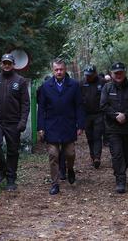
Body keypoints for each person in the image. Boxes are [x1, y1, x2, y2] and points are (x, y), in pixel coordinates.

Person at [0, 53, 30, 191]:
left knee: (13, 151)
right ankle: (1, 169)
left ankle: (11, 179)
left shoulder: (20, 81)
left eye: (9, 63)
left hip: (13, 122)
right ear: (1, 64)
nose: (7, 65)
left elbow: (25, 104)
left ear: (13, 65)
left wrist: (23, 121)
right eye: (4, 63)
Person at [37, 58, 85, 195]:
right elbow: (41, 109)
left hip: (68, 125)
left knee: (70, 153)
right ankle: (55, 183)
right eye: (56, 69)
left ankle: (70, 169)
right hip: (51, 125)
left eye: (61, 69)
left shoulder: (74, 85)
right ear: (53, 70)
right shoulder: (46, 86)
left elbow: (79, 106)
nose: (59, 72)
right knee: (53, 154)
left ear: (65, 70)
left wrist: (80, 124)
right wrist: (41, 127)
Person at [100, 62, 128, 193]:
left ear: (124, 73)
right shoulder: (107, 88)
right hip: (113, 128)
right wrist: (115, 115)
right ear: (112, 74)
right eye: (116, 73)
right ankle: (120, 179)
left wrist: (126, 115)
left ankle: (120, 170)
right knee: (117, 154)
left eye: (120, 73)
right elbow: (103, 105)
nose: (118, 75)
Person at [80, 65, 105, 168]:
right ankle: (92, 155)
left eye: (90, 75)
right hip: (86, 114)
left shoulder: (102, 82)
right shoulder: (81, 83)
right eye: (87, 75)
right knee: (90, 137)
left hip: (99, 114)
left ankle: (97, 157)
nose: (88, 77)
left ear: (95, 73)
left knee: (97, 136)